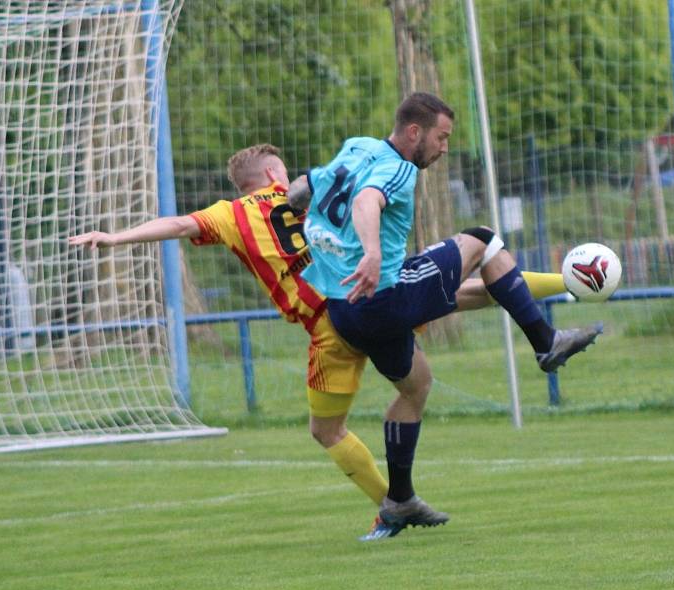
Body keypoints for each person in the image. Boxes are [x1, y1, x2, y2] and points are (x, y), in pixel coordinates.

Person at [69, 143, 573, 541]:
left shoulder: (231, 215)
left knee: (327, 430)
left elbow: (179, 224)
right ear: (273, 178)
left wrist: (115, 237)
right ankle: (569, 283)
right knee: (465, 293)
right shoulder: (318, 196)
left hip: (329, 327)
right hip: (369, 291)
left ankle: (391, 505)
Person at [289, 92, 602, 540]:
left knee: (415, 386)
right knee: (483, 240)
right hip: (384, 294)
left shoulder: (356, 146)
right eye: (442, 137)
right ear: (414, 132)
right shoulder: (397, 167)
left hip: (345, 312)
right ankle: (544, 341)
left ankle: (398, 500)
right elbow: (365, 203)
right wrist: (373, 252)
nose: (444, 147)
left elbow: (304, 188)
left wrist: (295, 211)